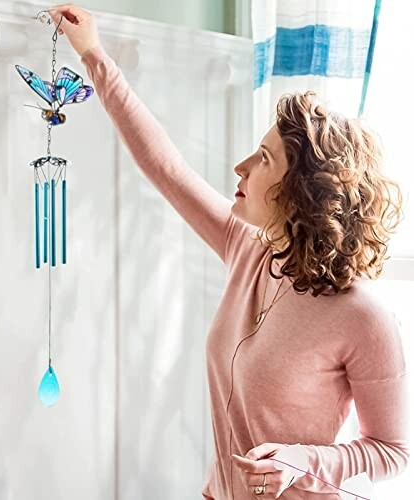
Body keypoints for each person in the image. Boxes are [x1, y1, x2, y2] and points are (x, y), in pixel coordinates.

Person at [48, 4, 411, 499]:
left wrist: (301, 459)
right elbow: (167, 169)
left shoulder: (363, 317)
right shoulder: (251, 251)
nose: (240, 168)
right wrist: (93, 53)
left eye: (262, 159)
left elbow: (393, 453)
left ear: (302, 190)